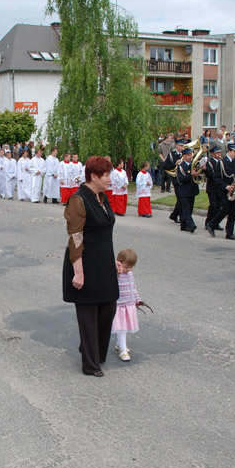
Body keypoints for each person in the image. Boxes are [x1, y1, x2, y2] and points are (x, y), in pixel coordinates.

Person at [62, 155, 119, 377]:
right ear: (93, 176)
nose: (110, 179)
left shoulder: (101, 197)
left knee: (108, 308)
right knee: (88, 316)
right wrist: (78, 272)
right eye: (106, 175)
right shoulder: (79, 200)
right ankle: (90, 364)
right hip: (84, 264)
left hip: (103, 264)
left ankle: (95, 352)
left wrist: (112, 260)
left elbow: (103, 233)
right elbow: (75, 238)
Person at [206, 143, 235, 240]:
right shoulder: (221, 162)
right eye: (234, 152)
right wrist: (226, 186)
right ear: (229, 151)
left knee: (233, 212)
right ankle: (212, 224)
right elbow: (216, 178)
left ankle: (229, 233)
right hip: (225, 190)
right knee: (224, 210)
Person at [112, 249, 142, 362]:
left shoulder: (129, 274)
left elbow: (133, 287)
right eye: (126, 267)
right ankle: (123, 350)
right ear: (119, 263)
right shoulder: (115, 273)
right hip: (118, 305)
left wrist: (137, 299)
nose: (128, 270)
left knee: (123, 327)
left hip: (128, 304)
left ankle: (121, 344)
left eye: (131, 267)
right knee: (121, 327)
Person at [176, 148, 199, 232]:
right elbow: (181, 179)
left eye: (191, 154)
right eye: (188, 155)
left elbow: (198, 176)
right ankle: (191, 225)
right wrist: (191, 175)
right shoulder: (181, 166)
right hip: (184, 191)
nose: (190, 156)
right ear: (184, 156)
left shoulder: (194, 165)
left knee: (190, 209)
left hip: (192, 190)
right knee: (186, 210)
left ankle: (183, 225)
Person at [203, 146, 223, 230]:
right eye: (217, 153)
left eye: (219, 153)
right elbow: (209, 174)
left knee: (219, 206)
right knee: (213, 205)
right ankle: (208, 222)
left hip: (220, 187)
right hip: (212, 187)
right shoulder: (209, 163)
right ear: (212, 154)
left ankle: (215, 223)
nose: (219, 154)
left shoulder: (221, 162)